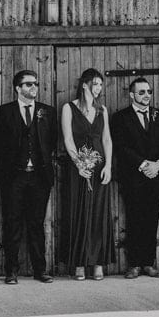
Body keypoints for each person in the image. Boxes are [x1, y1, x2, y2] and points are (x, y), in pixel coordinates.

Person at [0, 70, 57, 284]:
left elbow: (53, 142)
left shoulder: (48, 111)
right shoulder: (4, 112)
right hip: (14, 178)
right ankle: (11, 271)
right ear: (18, 88)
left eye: (35, 83)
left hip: (39, 177)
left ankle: (41, 270)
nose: (34, 87)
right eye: (28, 84)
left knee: (37, 224)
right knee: (12, 224)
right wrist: (3, 174)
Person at [111, 78, 159, 279]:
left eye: (149, 91)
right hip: (133, 176)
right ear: (132, 95)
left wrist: (158, 165)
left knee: (152, 219)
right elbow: (122, 147)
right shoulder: (120, 118)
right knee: (134, 218)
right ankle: (134, 264)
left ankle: (148, 263)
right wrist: (144, 164)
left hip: (156, 176)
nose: (146, 95)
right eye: (142, 92)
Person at [61, 68, 113, 281]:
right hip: (78, 169)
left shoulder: (102, 110)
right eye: (95, 84)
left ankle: (98, 262)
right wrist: (77, 163)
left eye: (101, 85)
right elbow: (68, 139)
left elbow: (107, 139)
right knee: (79, 212)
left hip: (99, 167)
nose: (98, 88)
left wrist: (108, 165)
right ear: (84, 85)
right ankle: (79, 263)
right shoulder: (69, 108)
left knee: (99, 212)